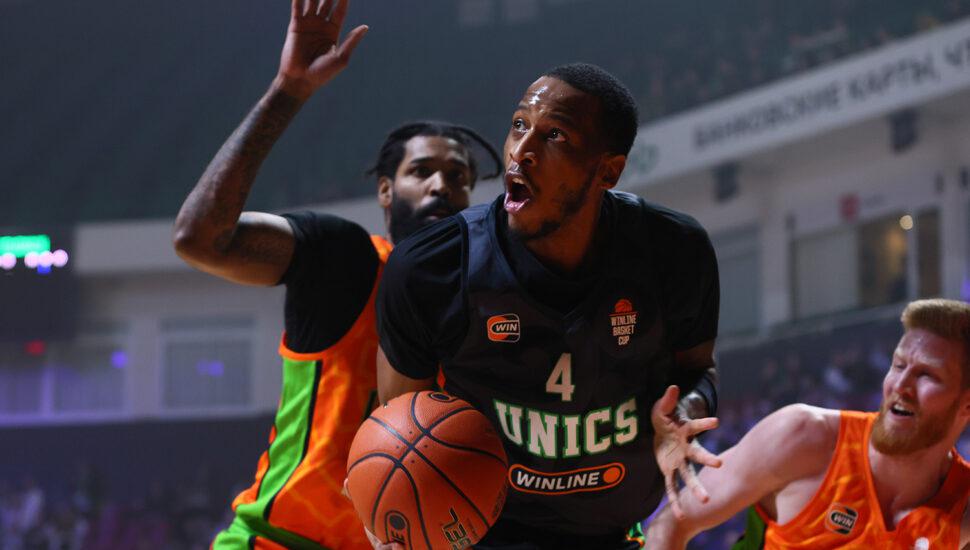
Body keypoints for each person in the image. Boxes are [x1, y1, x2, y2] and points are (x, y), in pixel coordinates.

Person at [172, 1, 499, 548]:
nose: (442, 186)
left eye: (458, 176)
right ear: (386, 191)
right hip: (277, 540)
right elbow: (200, 239)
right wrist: (288, 91)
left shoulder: (484, 306)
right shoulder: (346, 260)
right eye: (421, 171)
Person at [375, 62, 722, 549]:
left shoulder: (674, 251)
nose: (522, 151)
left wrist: (683, 414)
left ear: (608, 170)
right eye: (519, 125)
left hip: (611, 534)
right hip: (481, 535)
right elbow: (398, 434)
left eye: (555, 135)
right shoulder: (430, 268)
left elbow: (699, 370)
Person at [645, 298, 970, 549]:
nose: (900, 385)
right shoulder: (803, 436)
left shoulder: (963, 505)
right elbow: (672, 523)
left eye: (927, 375)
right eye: (898, 365)